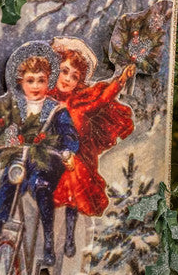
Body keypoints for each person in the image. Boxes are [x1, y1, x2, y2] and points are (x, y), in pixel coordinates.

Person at [0, 41, 78, 268]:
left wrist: (67, 151)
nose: (36, 86)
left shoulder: (55, 109)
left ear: (49, 81)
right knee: (9, 180)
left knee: (42, 188)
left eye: (41, 80)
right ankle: (0, 227)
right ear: (20, 82)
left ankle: (48, 244)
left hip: (46, 161)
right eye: (30, 80)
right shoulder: (12, 106)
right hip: (18, 159)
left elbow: (68, 133)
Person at [48, 37, 136, 258]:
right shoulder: (45, 96)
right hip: (45, 151)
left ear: (80, 81)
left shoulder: (81, 102)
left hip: (75, 155)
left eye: (74, 76)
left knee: (73, 179)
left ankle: (69, 235)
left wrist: (121, 80)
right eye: (64, 71)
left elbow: (103, 96)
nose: (67, 79)